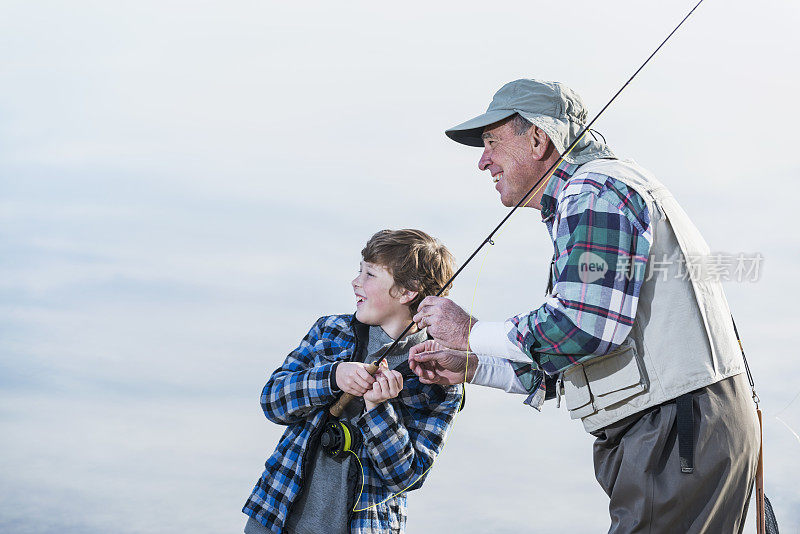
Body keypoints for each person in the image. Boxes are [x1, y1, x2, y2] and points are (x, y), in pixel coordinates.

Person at [408, 79, 760, 533]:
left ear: (539, 139)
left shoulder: (592, 192)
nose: (482, 160)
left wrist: (468, 331)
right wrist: (473, 365)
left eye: (492, 142)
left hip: (674, 430)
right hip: (684, 429)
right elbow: (576, 349)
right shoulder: (600, 190)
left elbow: (584, 325)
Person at [243, 229, 463, 534]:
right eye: (360, 270)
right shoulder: (329, 330)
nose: (355, 281)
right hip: (273, 518)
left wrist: (379, 409)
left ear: (406, 292)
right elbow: (272, 402)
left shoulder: (440, 376)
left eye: (370, 274)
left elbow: (407, 478)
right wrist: (333, 378)